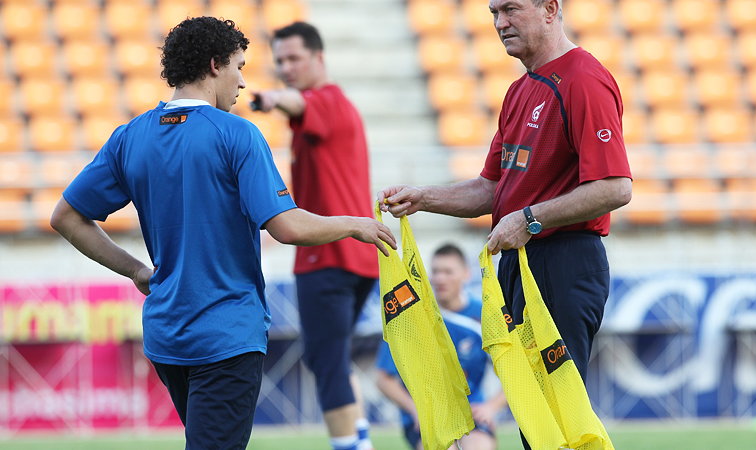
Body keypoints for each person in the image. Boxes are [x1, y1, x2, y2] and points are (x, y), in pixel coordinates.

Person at [49, 17, 395, 450]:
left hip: (166, 334)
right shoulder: (237, 134)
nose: (243, 82)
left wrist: (136, 270)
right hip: (226, 333)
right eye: (240, 66)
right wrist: (354, 223)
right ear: (215, 65)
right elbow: (286, 227)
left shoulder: (129, 136)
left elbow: (66, 216)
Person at [378, 1, 632, 448]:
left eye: (511, 9)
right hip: (522, 263)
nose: (499, 23)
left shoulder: (583, 80)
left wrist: (530, 219)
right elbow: (493, 189)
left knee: (560, 417)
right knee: (535, 421)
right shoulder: (520, 91)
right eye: (494, 12)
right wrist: (425, 198)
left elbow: (614, 187)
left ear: (550, 8)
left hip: (563, 262)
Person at [249, 22, 378, 450]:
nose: (286, 68)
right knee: (334, 361)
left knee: (325, 361)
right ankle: (360, 440)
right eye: (280, 61)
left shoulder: (321, 101)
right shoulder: (337, 105)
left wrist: (271, 98)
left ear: (319, 58)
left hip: (328, 255)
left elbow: (295, 102)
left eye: (293, 59)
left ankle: (350, 446)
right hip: (357, 257)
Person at [375, 244, 507, 450]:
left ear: (466, 274)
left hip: (469, 412)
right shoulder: (412, 316)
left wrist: (491, 407)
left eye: (448, 272)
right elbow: (384, 379)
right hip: (428, 416)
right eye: (435, 271)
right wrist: (415, 409)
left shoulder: (484, 316)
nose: (440, 278)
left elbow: (515, 371)